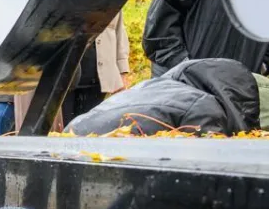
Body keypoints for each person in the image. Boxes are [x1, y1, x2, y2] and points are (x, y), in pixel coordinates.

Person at [66, 57, 269, 136]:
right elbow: (210, 182)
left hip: (72, 136)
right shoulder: (205, 109)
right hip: (93, 164)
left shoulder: (154, 86)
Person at [61, 12, 130, 125]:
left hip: (99, 80)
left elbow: (119, 32)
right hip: (65, 79)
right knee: (64, 128)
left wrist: (122, 71)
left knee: (91, 128)